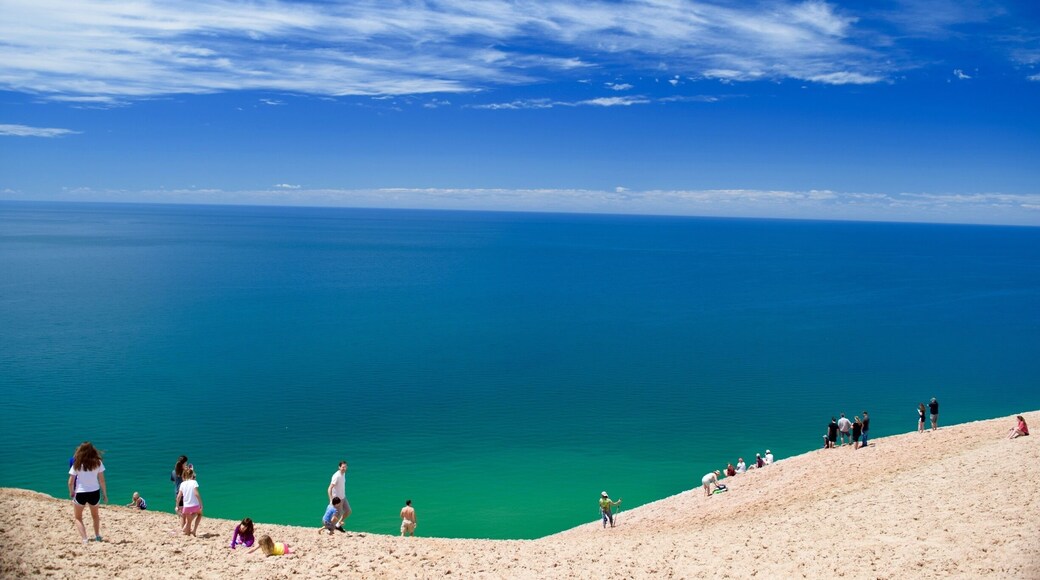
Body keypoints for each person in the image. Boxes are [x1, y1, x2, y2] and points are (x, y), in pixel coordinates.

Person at [68, 441, 108, 544]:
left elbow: (70, 482)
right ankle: (97, 536)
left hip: (80, 492)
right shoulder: (98, 462)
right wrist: (105, 494)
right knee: (95, 516)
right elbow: (102, 480)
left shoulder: (76, 463)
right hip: (94, 492)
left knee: (78, 517)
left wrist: (71, 492)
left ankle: (85, 539)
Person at [176, 466, 203, 536]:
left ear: (184, 475)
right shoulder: (194, 482)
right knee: (199, 514)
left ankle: (187, 533)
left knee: (189, 521)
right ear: (191, 475)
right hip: (195, 505)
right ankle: (194, 531)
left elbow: (179, 496)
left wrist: (177, 506)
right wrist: (201, 503)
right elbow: (196, 494)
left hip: (186, 506)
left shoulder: (182, 484)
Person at [327, 461, 350, 532]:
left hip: (343, 497)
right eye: (343, 467)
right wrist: (331, 499)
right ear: (339, 467)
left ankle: (338, 525)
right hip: (337, 499)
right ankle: (329, 527)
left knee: (348, 511)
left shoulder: (343, 474)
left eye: (345, 467)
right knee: (337, 514)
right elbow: (329, 488)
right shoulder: (336, 476)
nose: (344, 468)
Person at [171, 455, 189, 519]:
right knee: (186, 514)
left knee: (182, 515)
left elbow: (173, 482)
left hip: (177, 493)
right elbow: (190, 482)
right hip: (184, 494)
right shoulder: (185, 472)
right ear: (183, 464)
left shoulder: (173, 472)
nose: (186, 464)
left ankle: (183, 528)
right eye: (186, 463)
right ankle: (185, 529)